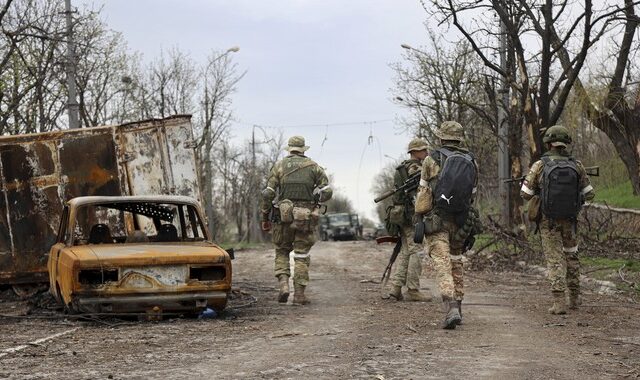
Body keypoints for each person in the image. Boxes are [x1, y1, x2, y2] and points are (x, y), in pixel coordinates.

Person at [520, 125, 595, 315]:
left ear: (549, 143)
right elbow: (590, 193)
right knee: (572, 255)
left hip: (548, 221)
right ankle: (575, 298)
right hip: (570, 220)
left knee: (554, 259)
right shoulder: (577, 165)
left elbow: (525, 194)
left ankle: (559, 302)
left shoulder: (540, 165)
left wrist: (537, 187)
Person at [415, 121, 479, 329]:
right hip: (461, 220)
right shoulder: (471, 160)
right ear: (459, 138)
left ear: (441, 137)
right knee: (456, 260)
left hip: (437, 219)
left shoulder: (431, 159)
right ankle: (458, 306)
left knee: (442, 264)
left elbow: (423, 193)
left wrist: (419, 217)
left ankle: (450, 306)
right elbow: (473, 195)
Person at [260, 136, 332, 305]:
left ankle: (284, 285)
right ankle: (299, 295)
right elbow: (327, 192)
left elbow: (268, 194)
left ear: (289, 149)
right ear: (303, 149)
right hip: (305, 219)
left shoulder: (279, 166)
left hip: (282, 219)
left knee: (282, 251)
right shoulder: (314, 167)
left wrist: (265, 216)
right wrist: (317, 201)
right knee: (301, 255)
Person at [386, 138, 432, 302]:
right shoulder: (414, 168)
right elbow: (418, 193)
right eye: (423, 150)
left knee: (406, 251)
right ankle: (413, 290)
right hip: (412, 214)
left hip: (402, 215)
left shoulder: (401, 168)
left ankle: (395, 289)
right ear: (415, 152)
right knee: (417, 250)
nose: (426, 153)